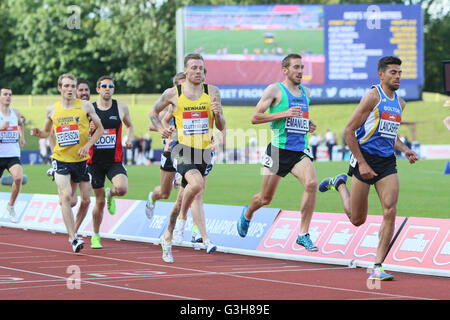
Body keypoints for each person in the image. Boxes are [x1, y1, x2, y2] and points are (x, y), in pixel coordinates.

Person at [318, 56, 419, 281]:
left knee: (390, 210)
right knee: (357, 219)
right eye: (393, 72)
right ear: (381, 75)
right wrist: (361, 163)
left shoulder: (400, 103)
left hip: (386, 163)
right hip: (364, 158)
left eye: (400, 72)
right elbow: (348, 131)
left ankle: (377, 266)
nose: (398, 76)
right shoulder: (373, 97)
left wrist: (405, 149)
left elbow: (390, 136)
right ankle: (340, 184)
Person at [237, 53, 319, 252]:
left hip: (299, 151)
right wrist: (284, 113)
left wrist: (307, 124)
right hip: (277, 151)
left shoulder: (306, 92)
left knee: (311, 183)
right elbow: (255, 117)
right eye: (296, 67)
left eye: (302, 67)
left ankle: (303, 234)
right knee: (265, 198)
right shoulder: (275, 90)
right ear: (285, 70)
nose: (300, 71)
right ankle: (248, 213)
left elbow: (296, 119)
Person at [149, 53, 226, 263]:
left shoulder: (213, 92)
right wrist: (162, 129)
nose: (198, 72)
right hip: (181, 149)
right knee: (197, 184)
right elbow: (152, 114)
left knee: (182, 197)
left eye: (201, 68)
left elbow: (221, 125)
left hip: (203, 152)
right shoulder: (173, 93)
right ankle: (186, 221)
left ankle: (167, 236)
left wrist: (218, 115)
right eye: (193, 68)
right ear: (186, 70)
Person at [30, 74, 104, 253]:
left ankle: (73, 229)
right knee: (66, 196)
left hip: (80, 160)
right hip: (61, 159)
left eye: (73, 86)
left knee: (84, 201)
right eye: (66, 86)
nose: (70, 89)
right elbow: (46, 133)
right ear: (60, 88)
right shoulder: (52, 110)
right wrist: (37, 132)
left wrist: (87, 145)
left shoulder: (85, 106)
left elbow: (100, 129)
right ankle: (73, 238)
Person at [87, 75, 134, 249]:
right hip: (94, 163)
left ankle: (111, 194)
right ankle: (96, 235)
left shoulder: (121, 107)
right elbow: (80, 133)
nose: (108, 88)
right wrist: (88, 130)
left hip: (114, 160)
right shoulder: (89, 108)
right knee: (98, 202)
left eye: (111, 86)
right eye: (104, 86)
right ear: (98, 89)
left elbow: (130, 125)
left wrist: (129, 138)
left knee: (122, 188)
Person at [146, 72, 186, 221]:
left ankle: (187, 226)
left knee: (189, 186)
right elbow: (151, 124)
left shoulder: (192, 105)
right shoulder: (168, 107)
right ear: (174, 87)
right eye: (181, 85)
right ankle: (152, 197)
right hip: (169, 151)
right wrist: (164, 130)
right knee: (164, 193)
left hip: (184, 152)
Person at [0, 87, 25, 223]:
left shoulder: (15, 112)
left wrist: (22, 137)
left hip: (12, 154)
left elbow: (20, 124)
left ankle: (10, 206)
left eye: (10, 94)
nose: (8, 96)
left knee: (18, 178)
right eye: (5, 94)